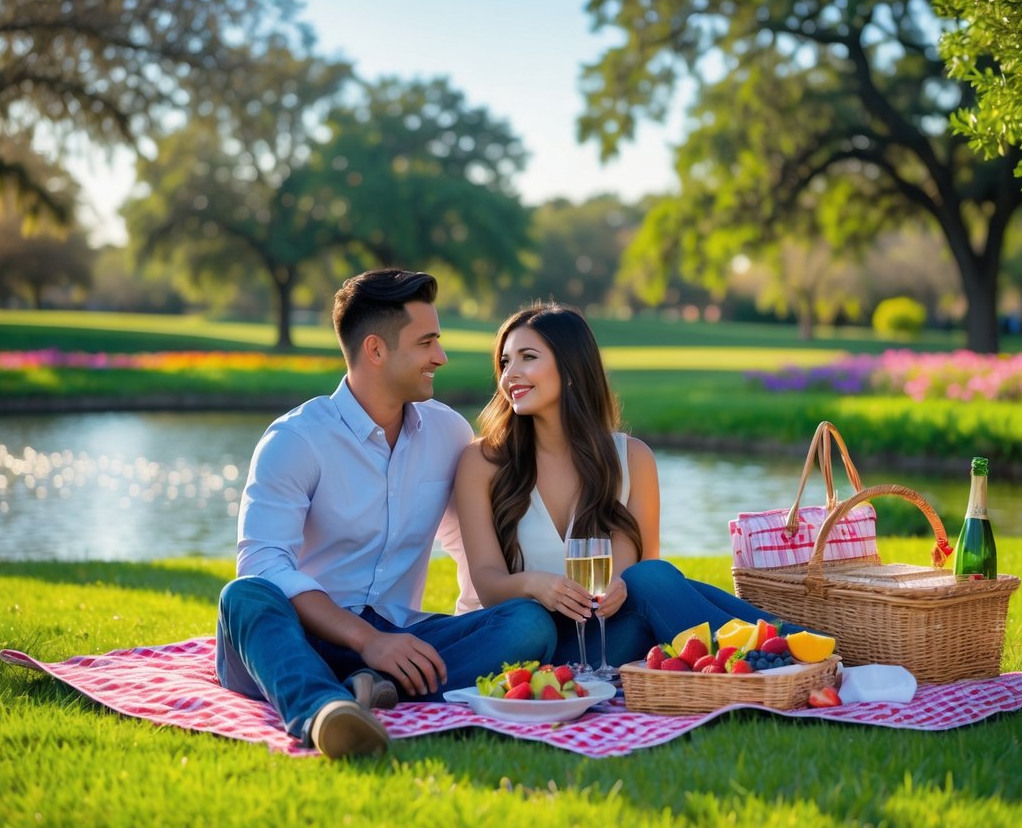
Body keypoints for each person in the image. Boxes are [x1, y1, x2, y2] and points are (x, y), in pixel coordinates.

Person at [214, 270, 557, 760]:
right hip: (297, 637)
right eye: (427, 343)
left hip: (397, 636)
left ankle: (369, 687)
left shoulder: (448, 432)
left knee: (528, 623)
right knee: (245, 596)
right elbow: (265, 566)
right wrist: (366, 639)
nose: (440, 357)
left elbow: (466, 546)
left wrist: (474, 631)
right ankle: (324, 713)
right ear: (375, 350)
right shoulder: (295, 440)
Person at [451, 303, 802, 669]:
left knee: (652, 579)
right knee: (670, 591)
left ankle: (780, 654)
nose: (511, 375)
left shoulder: (632, 459)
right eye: (505, 362)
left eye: (527, 357)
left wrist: (617, 587)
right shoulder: (483, 462)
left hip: (601, 642)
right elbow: (488, 584)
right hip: (528, 646)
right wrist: (535, 585)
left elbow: (639, 573)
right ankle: (787, 652)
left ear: (571, 367)